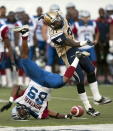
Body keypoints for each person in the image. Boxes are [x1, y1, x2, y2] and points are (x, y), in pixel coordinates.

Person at [0, 25, 88, 120]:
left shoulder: (20, 101)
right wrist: (67, 116)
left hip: (36, 77)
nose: (23, 113)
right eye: (22, 115)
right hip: (48, 82)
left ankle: (24, 34)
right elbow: (51, 113)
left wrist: (10, 101)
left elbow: (16, 87)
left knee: (24, 59)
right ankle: (77, 57)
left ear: (18, 108)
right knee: (63, 81)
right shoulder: (38, 114)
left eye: (20, 113)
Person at [41, 11, 112, 116]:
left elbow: (69, 15)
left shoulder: (59, 15)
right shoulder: (54, 34)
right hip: (67, 53)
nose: (58, 22)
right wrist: (83, 43)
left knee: (91, 69)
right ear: (51, 25)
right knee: (80, 78)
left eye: (58, 20)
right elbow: (70, 42)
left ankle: (97, 98)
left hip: (76, 49)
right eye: (55, 23)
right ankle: (88, 107)